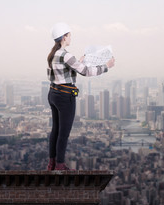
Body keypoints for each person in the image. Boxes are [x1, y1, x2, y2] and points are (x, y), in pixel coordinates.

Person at [46, 22, 115, 170]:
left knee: (55, 130)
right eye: (69, 35)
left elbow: (61, 73)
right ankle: (60, 165)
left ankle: (52, 163)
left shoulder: (52, 55)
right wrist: (106, 67)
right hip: (65, 97)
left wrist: (79, 61)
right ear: (64, 37)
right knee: (64, 133)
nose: (71, 37)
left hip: (53, 94)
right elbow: (86, 72)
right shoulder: (66, 55)